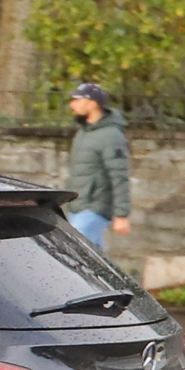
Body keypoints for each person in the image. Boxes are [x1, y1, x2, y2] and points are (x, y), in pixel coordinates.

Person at [64, 82, 133, 250]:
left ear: (93, 103)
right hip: (78, 206)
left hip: (94, 207)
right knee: (94, 261)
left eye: (77, 100)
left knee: (74, 253)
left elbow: (119, 175)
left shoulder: (111, 135)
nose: (72, 104)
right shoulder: (83, 132)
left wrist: (121, 214)